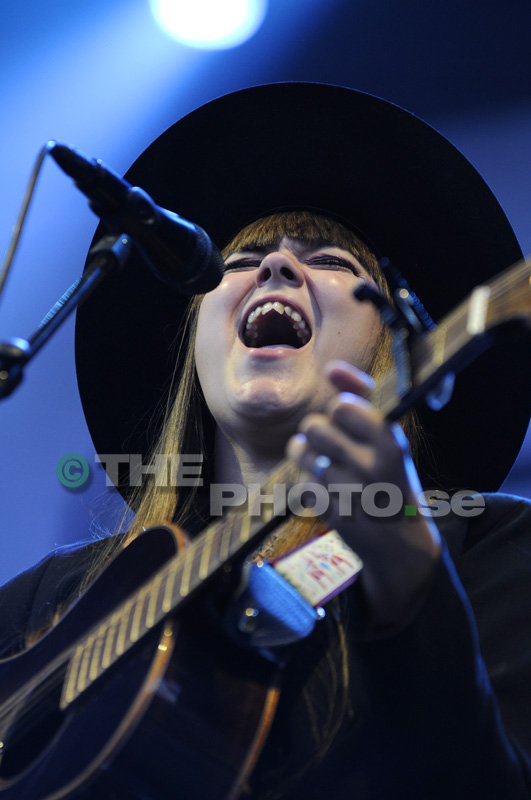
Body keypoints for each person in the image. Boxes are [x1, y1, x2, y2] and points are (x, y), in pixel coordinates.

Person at [0, 83, 530, 799]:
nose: (277, 267)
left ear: (397, 340)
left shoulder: (492, 551)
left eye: (332, 262)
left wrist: (405, 566)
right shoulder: (54, 599)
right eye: (241, 260)